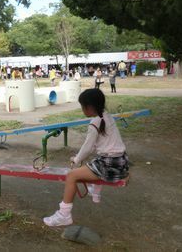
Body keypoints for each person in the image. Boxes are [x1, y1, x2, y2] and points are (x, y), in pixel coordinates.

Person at [43, 89, 130, 226]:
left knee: (71, 176)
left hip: (109, 164)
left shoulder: (95, 123)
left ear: (89, 107)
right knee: (91, 164)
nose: (82, 109)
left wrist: (76, 159)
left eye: (82, 106)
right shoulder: (107, 116)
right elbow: (104, 143)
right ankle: (94, 190)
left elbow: (87, 147)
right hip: (122, 162)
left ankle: (63, 215)